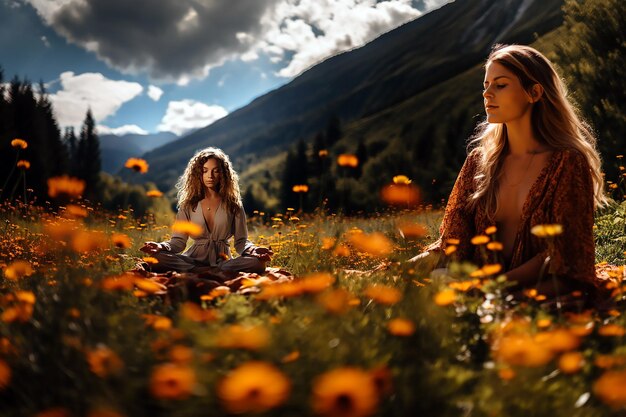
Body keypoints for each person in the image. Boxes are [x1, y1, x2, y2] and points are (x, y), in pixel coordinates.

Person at [412, 44, 607, 300]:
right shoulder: (478, 162)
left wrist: (494, 289)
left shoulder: (567, 162)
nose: (487, 94)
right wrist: (395, 270)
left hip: (537, 291)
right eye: (486, 85)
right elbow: (453, 242)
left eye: (500, 85)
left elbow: (564, 255)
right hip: (476, 286)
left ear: (534, 92)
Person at [140, 147, 272, 276]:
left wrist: (254, 250)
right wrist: (160, 246)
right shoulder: (187, 205)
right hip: (192, 261)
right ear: (198, 174)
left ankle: (208, 271)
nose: (210, 176)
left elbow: (241, 242)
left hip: (224, 262)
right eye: (205, 170)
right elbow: (178, 242)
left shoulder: (234, 205)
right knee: (157, 258)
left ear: (223, 174)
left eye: (216, 171)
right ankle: (206, 271)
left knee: (258, 263)